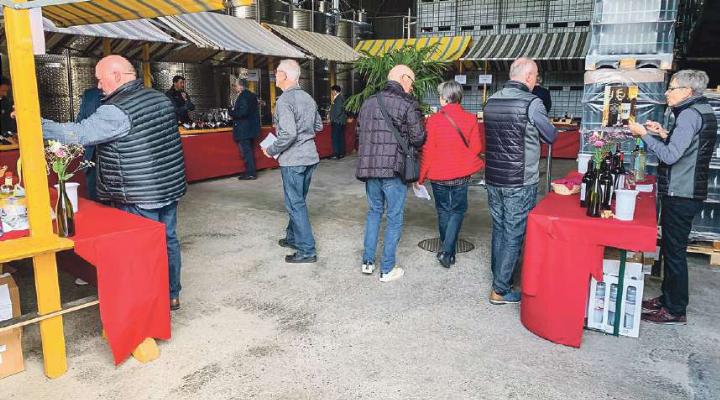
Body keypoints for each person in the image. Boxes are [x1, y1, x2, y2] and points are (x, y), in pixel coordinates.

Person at [40, 55, 187, 311]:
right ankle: (171, 293)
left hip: (137, 192)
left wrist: (35, 123)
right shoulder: (159, 98)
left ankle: (148, 302)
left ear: (117, 76)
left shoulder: (117, 110)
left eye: (100, 79)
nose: (98, 86)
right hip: (167, 186)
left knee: (141, 250)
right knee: (167, 239)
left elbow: (78, 134)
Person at [629, 69, 717, 325]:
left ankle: (675, 309)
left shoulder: (689, 115)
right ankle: (668, 298)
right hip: (687, 189)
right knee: (671, 248)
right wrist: (663, 133)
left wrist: (643, 135)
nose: (667, 92)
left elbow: (669, 156)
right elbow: (687, 147)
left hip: (682, 191)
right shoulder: (701, 111)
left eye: (672, 88)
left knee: (674, 250)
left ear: (688, 91)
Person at [483, 57, 557, 304]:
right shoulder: (532, 103)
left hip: (494, 177)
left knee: (500, 227)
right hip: (520, 179)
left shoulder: (491, 100)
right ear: (528, 77)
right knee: (514, 232)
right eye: (535, 76)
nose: (536, 80)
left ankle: (498, 276)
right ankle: (500, 289)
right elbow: (550, 136)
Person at [356, 64, 426, 282]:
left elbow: (359, 133)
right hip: (394, 170)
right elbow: (418, 138)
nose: (412, 87)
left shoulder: (368, 102)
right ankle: (387, 269)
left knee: (374, 212)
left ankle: (368, 262)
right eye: (412, 82)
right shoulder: (407, 104)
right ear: (404, 78)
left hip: (369, 169)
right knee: (394, 217)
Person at [262, 59, 323, 264]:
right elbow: (319, 126)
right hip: (310, 157)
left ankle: (307, 250)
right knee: (298, 200)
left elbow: (288, 133)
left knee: (295, 203)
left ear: (284, 76)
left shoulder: (284, 101)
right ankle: (292, 236)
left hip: (293, 160)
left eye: (277, 72)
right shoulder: (308, 98)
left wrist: (271, 150)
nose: (275, 75)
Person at [418, 80, 485, 268]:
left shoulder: (433, 120)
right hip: (461, 175)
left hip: (438, 176)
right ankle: (448, 252)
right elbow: (477, 148)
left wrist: (420, 177)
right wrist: (462, 158)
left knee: (443, 210)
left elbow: (428, 151)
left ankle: (447, 250)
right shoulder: (471, 119)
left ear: (443, 98)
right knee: (457, 210)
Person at [230, 78, 261, 180]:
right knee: (249, 151)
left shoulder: (243, 96)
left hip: (244, 129)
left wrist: (231, 112)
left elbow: (243, 112)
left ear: (240, 86)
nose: (234, 87)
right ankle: (250, 172)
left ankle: (251, 173)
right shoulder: (251, 95)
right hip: (251, 128)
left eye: (235, 85)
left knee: (246, 152)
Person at [76, 87, 103, 201]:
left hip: (122, 164)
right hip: (93, 160)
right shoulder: (90, 95)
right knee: (96, 205)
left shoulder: (131, 95)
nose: (100, 84)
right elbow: (80, 124)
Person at [329, 85, 348, 160]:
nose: (331, 93)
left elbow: (338, 111)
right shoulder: (340, 98)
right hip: (340, 121)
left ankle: (336, 154)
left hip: (337, 121)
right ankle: (341, 153)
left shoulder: (338, 98)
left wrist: (332, 118)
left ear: (335, 91)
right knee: (340, 137)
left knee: (336, 138)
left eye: (332, 91)